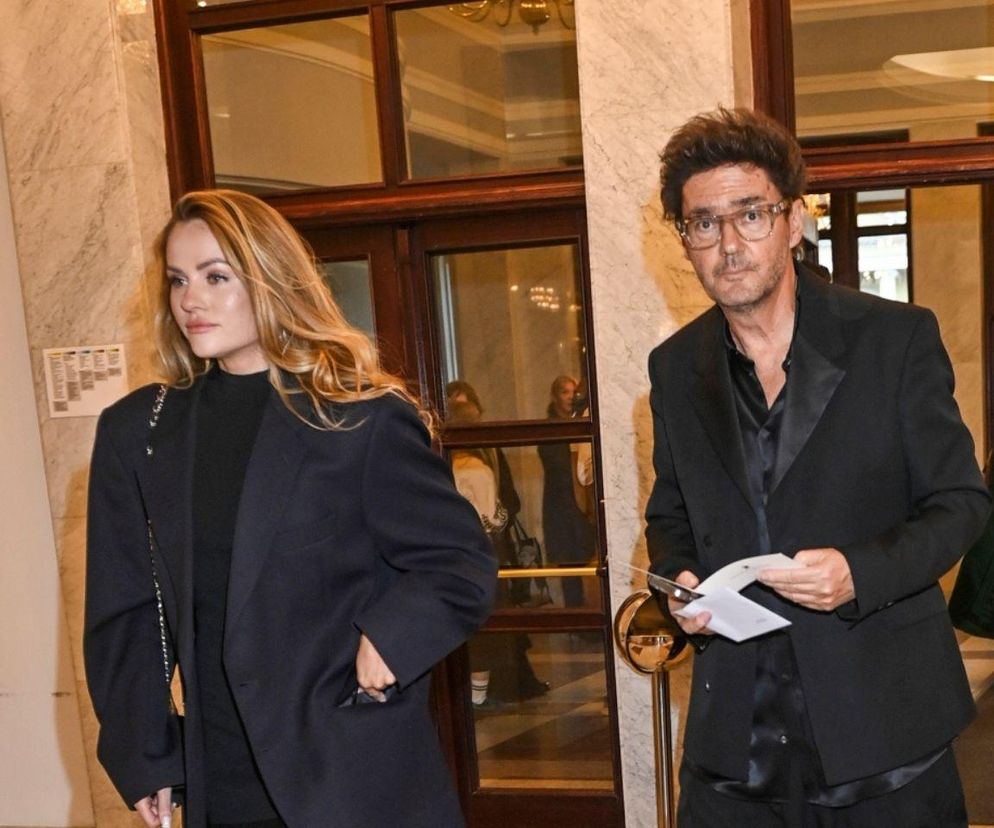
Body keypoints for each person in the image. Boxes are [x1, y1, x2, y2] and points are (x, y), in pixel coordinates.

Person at [83, 190, 497, 828]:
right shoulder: (139, 432)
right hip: (219, 780)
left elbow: (459, 561)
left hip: (350, 768)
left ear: (270, 279)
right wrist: (144, 752)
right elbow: (126, 608)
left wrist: (390, 639)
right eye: (178, 280)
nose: (191, 300)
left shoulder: (357, 418)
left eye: (216, 277)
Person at [645, 108, 990, 827]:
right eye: (704, 223)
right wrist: (679, 580)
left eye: (751, 215)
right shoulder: (675, 367)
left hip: (883, 737)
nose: (729, 245)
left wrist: (858, 572)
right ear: (685, 242)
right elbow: (671, 514)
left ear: (794, 220)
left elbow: (961, 502)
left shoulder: (894, 339)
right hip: (734, 749)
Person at [538, 375, 595, 608]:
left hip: (582, 508)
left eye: (573, 392)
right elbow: (559, 469)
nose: (571, 397)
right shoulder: (548, 429)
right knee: (570, 570)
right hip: (561, 509)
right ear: (555, 396)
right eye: (564, 392)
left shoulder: (582, 422)